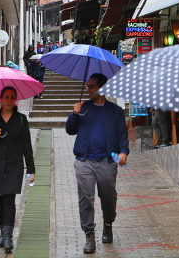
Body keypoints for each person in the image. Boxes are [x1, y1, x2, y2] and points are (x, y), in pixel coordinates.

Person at [66, 73, 129, 254]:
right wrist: (74, 114)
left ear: (101, 89)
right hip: (84, 160)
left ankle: (108, 223)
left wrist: (123, 151)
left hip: (107, 161)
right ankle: (89, 235)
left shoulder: (115, 111)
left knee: (109, 197)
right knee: (85, 198)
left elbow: (122, 135)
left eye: (91, 86)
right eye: (87, 86)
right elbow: (70, 130)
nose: (88, 89)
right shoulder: (83, 107)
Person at [0, 86, 35, 253]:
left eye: (12, 97)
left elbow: (27, 145)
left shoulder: (20, 119)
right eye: (6, 97)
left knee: (9, 199)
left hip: (14, 165)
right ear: (1, 98)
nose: (9, 100)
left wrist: (31, 169)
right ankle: (2, 233)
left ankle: (8, 236)